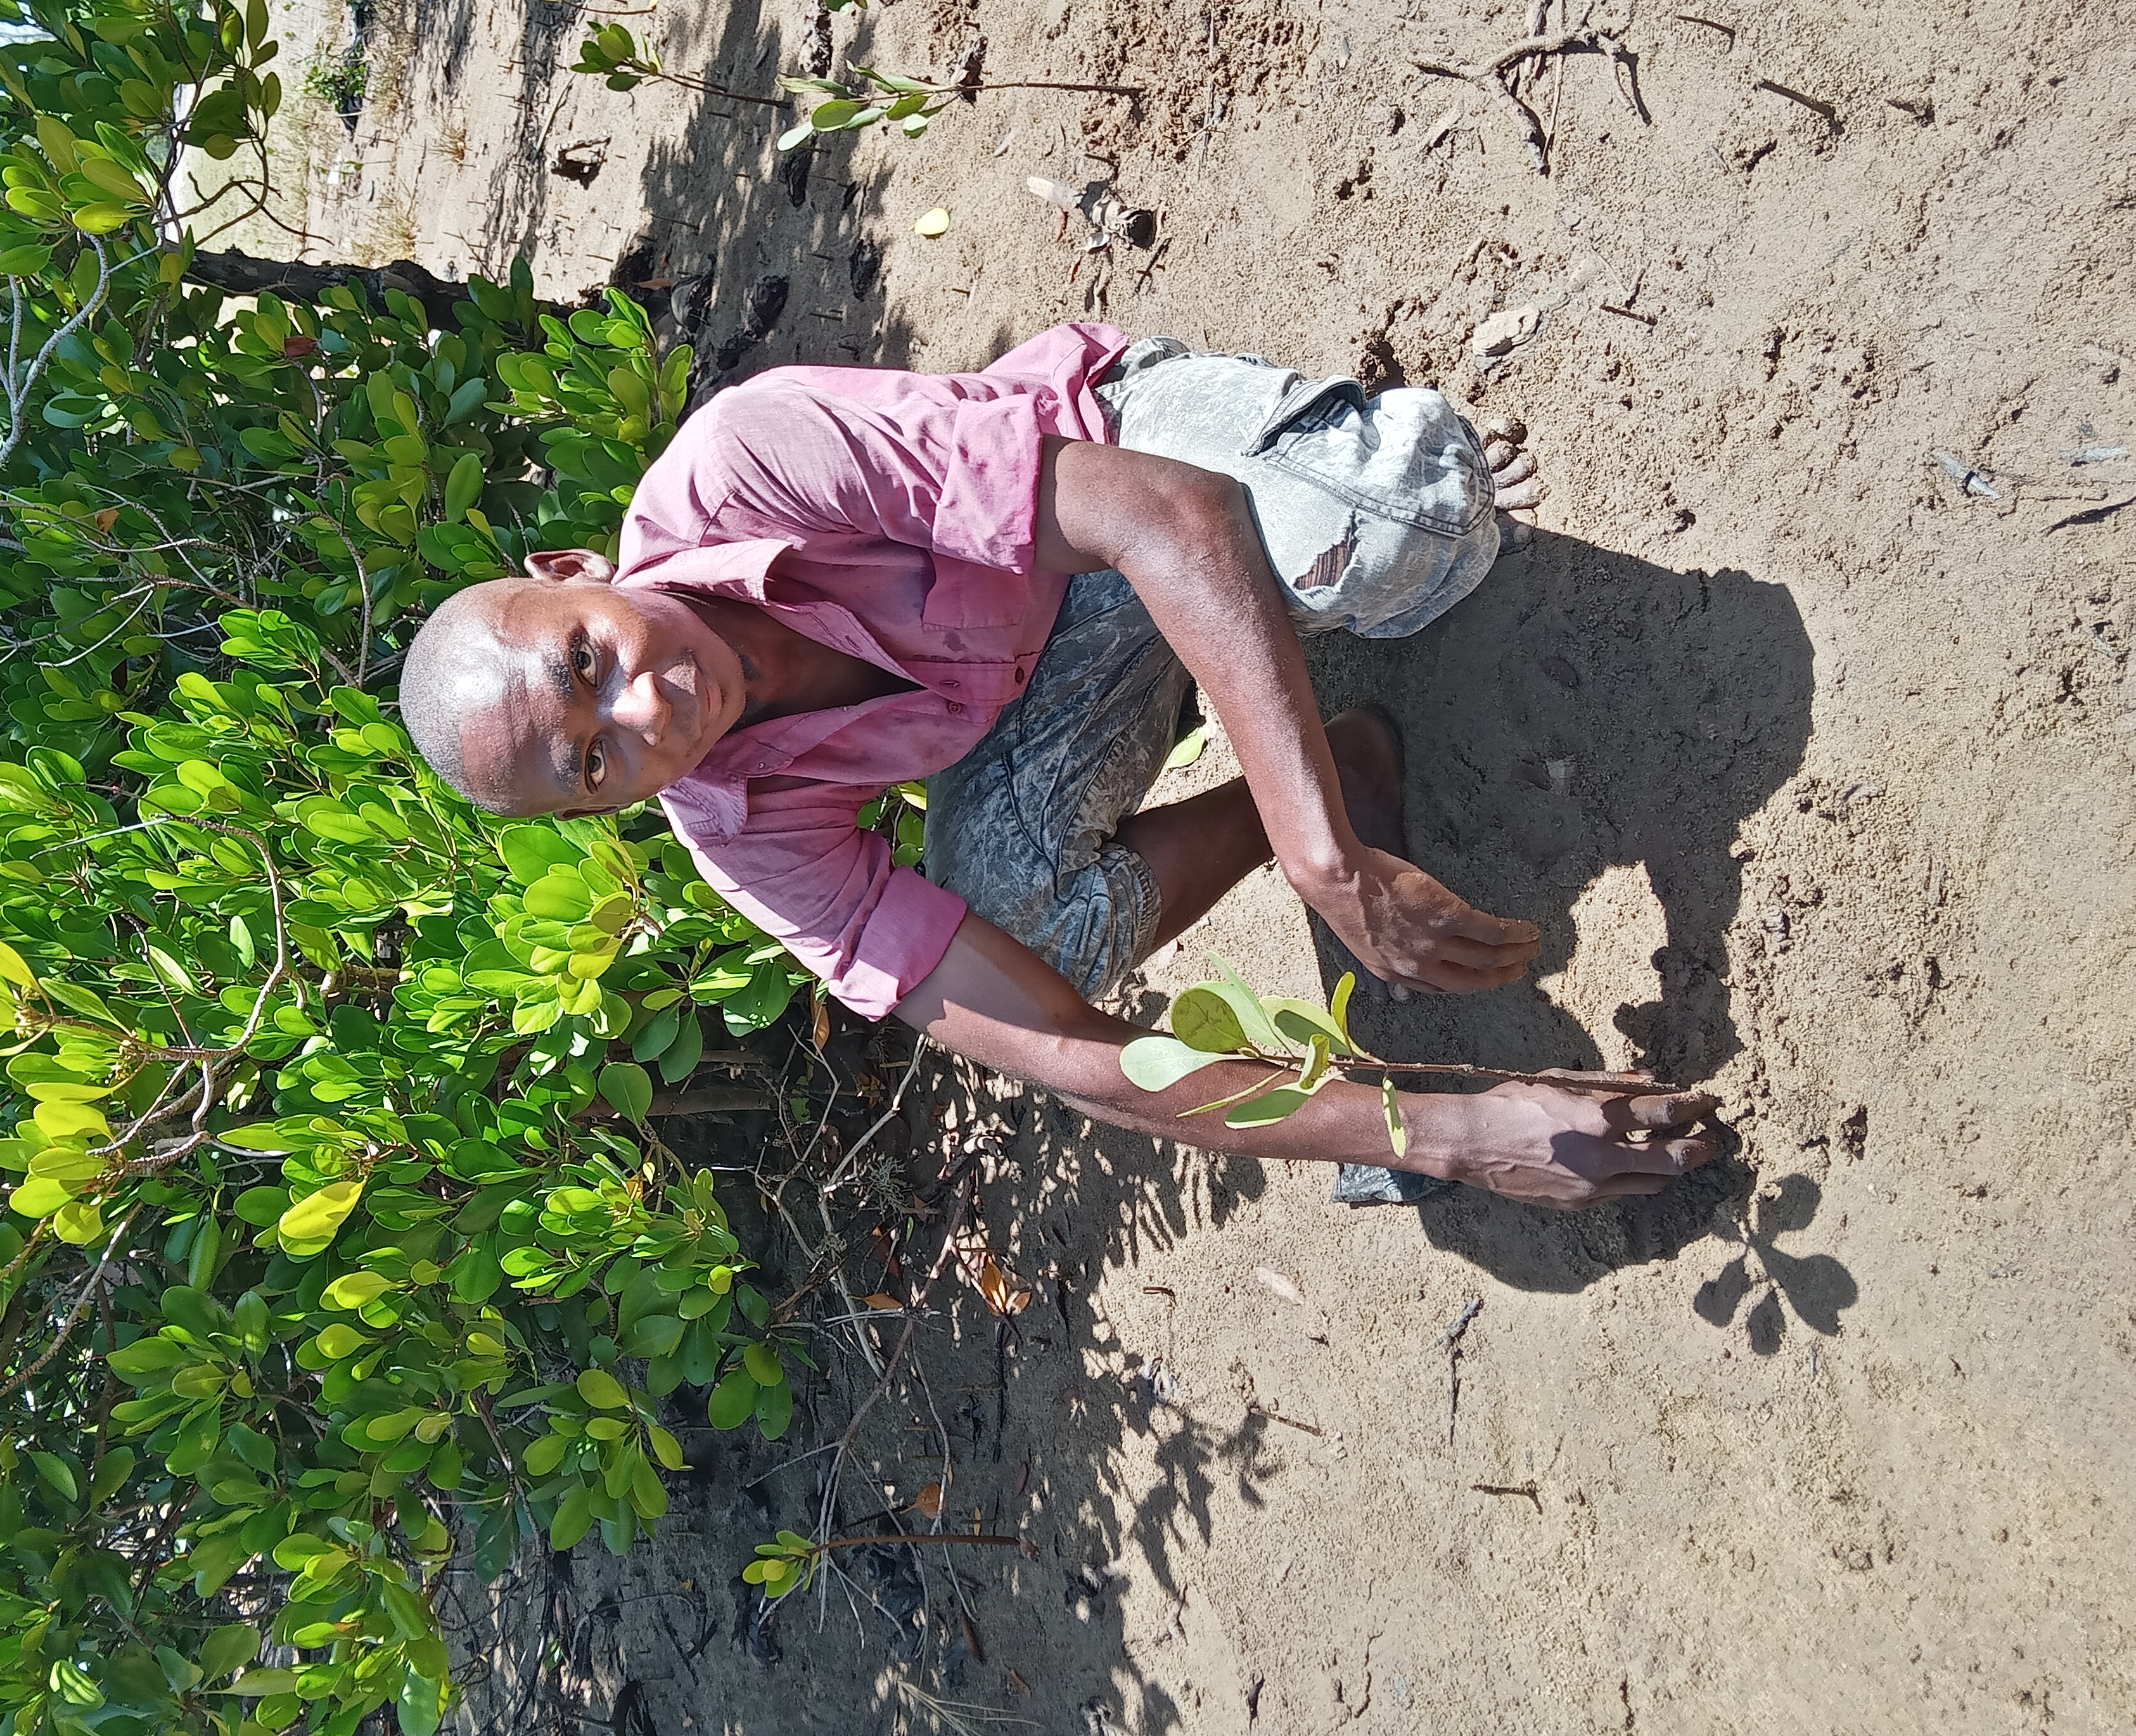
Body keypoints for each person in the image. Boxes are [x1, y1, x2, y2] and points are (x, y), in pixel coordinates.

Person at [399, 324, 1720, 1207]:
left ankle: (1307, 760)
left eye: (586, 660)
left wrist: (1330, 866)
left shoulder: (749, 460)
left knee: (1390, 536)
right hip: (1058, 686)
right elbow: (1065, 1054)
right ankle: (1327, 758)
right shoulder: (739, 831)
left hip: (1114, 474)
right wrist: (1440, 1134)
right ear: (605, 810)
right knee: (1033, 942)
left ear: (572, 575)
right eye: (592, 766)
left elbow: (1165, 514)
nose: (645, 710)